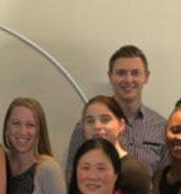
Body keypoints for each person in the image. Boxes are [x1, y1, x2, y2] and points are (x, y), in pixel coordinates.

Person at [65, 45, 168, 175]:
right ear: (110, 76)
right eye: (121, 73)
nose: (128, 79)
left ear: (146, 77)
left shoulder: (161, 127)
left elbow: (165, 180)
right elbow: (72, 175)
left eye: (135, 73)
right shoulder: (88, 126)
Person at [81, 95, 156, 194]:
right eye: (90, 121)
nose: (97, 126)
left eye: (105, 120)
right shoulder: (81, 168)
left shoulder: (133, 171)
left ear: (121, 125)